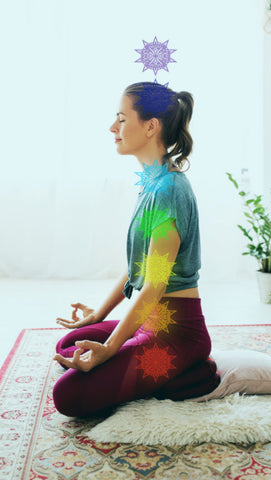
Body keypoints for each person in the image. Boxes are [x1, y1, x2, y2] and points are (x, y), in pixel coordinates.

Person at [53, 82, 220, 417]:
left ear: (150, 126)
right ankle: (141, 352)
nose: (112, 128)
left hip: (177, 334)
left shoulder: (168, 191)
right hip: (151, 322)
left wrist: (113, 346)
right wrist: (99, 315)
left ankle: (193, 370)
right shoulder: (152, 183)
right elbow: (137, 269)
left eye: (121, 119)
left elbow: (155, 284)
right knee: (69, 345)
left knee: (68, 396)